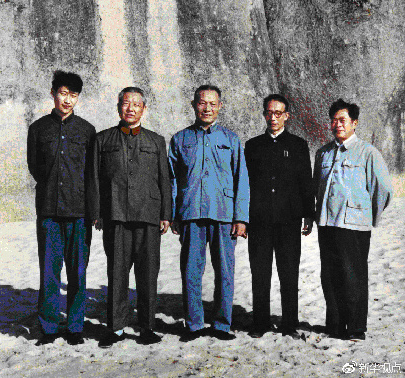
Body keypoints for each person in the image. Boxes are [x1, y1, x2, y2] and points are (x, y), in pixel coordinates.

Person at [89, 87, 171, 348]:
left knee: (148, 273)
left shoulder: (156, 141)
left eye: (136, 104)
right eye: (126, 103)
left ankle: (147, 327)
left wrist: (166, 214)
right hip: (116, 214)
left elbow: (165, 179)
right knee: (117, 273)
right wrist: (97, 212)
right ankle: (116, 327)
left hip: (148, 215)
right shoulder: (103, 140)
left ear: (144, 109)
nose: (131, 108)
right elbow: (94, 178)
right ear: (118, 107)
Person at [168, 85, 249, 341]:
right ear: (194, 105)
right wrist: (174, 214)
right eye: (202, 103)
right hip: (191, 212)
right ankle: (193, 324)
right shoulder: (180, 139)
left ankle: (222, 325)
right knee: (191, 271)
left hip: (223, 214)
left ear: (220, 106)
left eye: (213, 104)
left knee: (224, 272)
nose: (207, 108)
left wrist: (241, 218)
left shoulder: (230, 139)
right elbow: (172, 180)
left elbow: (241, 179)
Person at [314, 99, 393, 341]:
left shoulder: (368, 152)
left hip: (354, 225)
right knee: (330, 276)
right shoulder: (323, 153)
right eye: (334, 120)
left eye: (343, 120)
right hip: (327, 223)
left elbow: (383, 189)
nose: (337, 124)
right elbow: (317, 186)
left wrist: (367, 216)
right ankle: (336, 325)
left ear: (355, 123)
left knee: (353, 277)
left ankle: (356, 328)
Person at [27, 70, 96, 346]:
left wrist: (92, 211)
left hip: (79, 213)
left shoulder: (87, 130)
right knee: (49, 271)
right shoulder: (38, 129)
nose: (67, 100)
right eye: (63, 93)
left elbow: (91, 174)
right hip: (49, 212)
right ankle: (49, 327)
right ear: (53, 93)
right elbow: (35, 167)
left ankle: (75, 327)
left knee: (78, 272)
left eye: (73, 95)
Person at [245, 94, 314, 339]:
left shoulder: (298, 145)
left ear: (286, 116)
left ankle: (289, 323)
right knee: (260, 272)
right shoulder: (252, 146)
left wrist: (308, 214)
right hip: (259, 220)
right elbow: (245, 184)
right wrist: (243, 217)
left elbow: (306, 182)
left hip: (289, 220)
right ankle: (260, 322)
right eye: (269, 113)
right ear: (264, 114)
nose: (273, 118)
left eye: (278, 113)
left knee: (289, 273)